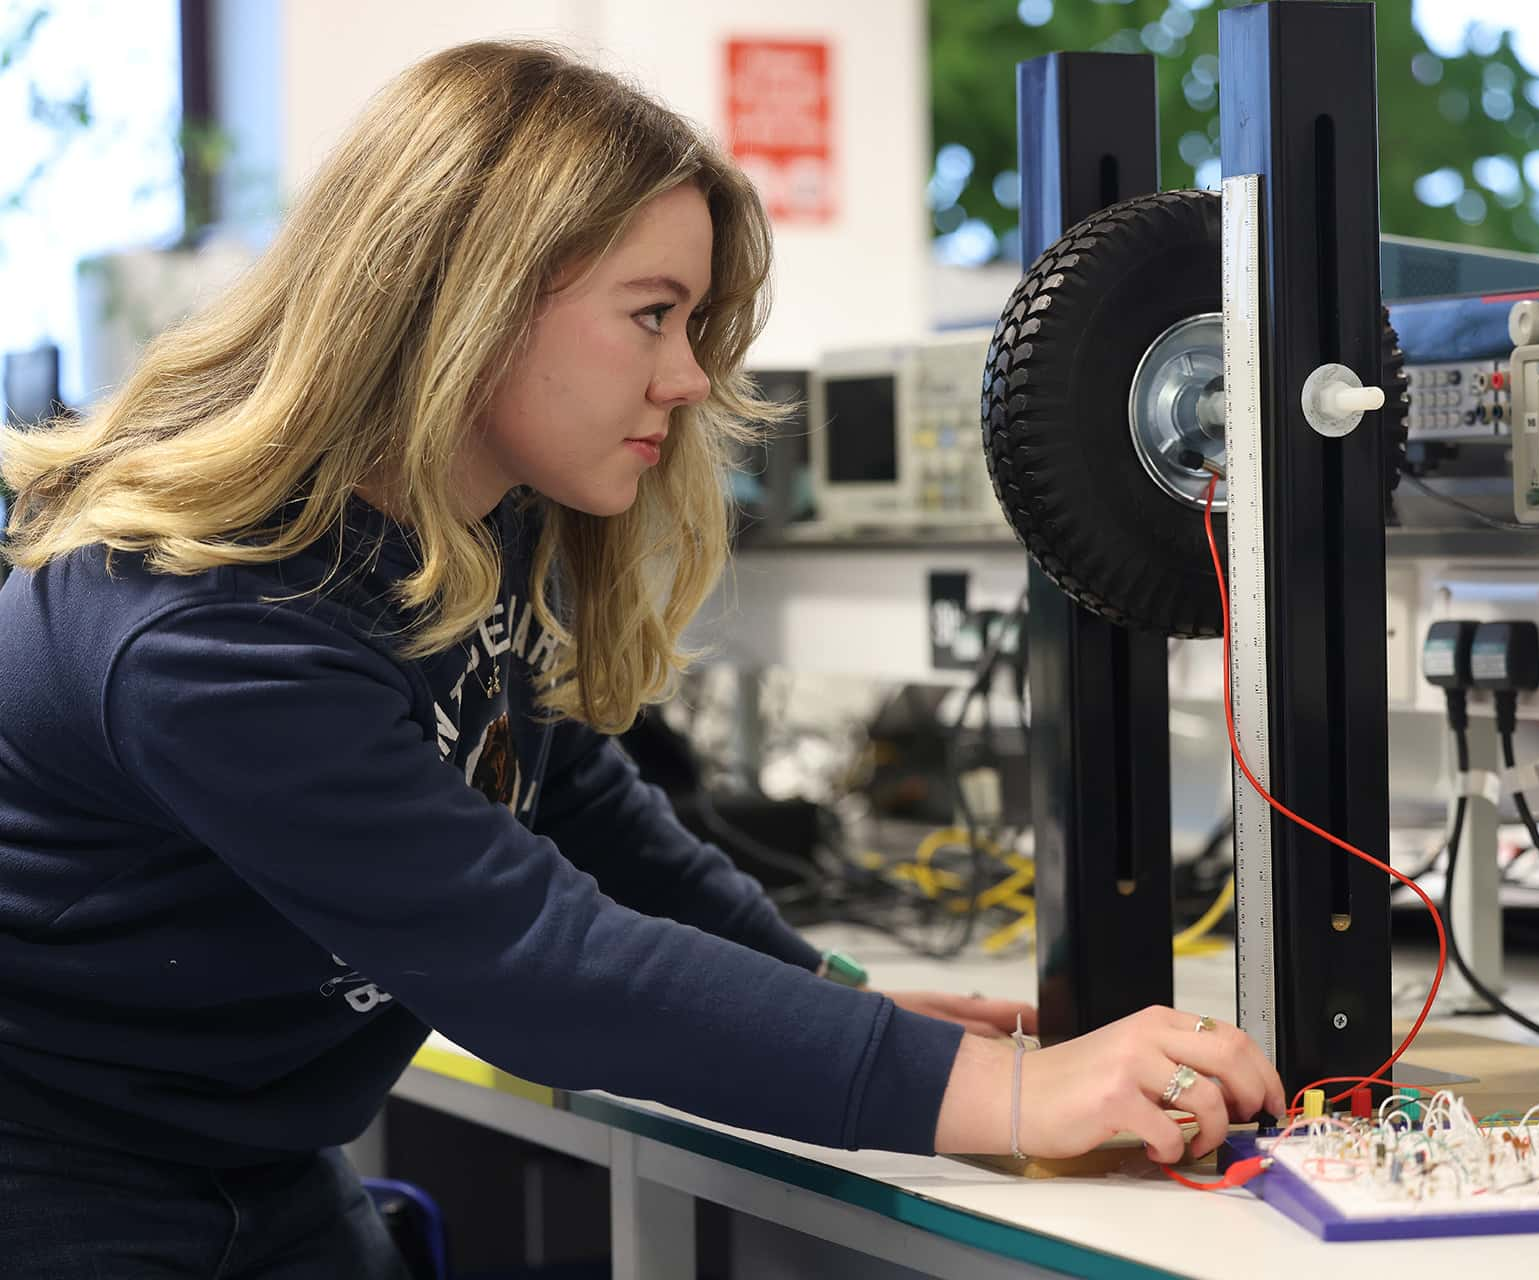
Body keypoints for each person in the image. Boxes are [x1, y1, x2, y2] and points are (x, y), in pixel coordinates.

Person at [0, 40, 1285, 1277]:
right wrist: (1006, 1093)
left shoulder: (456, 516)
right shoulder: (206, 622)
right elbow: (535, 964)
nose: (686, 378)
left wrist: (833, 995)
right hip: (61, 1178)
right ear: (470, 292)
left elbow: (565, 791)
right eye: (654, 315)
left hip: (257, 1153)